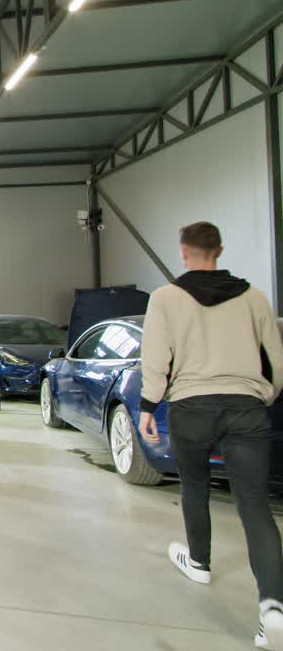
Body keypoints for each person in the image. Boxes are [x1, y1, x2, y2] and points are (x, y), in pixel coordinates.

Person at [139, 221, 283, 648]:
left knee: (195, 486)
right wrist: (265, 395)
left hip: (191, 406)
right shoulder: (254, 297)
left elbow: (156, 356)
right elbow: (276, 357)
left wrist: (149, 405)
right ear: (219, 250)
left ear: (184, 252)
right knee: (254, 504)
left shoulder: (165, 298)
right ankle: (272, 608)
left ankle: (199, 561)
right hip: (246, 406)